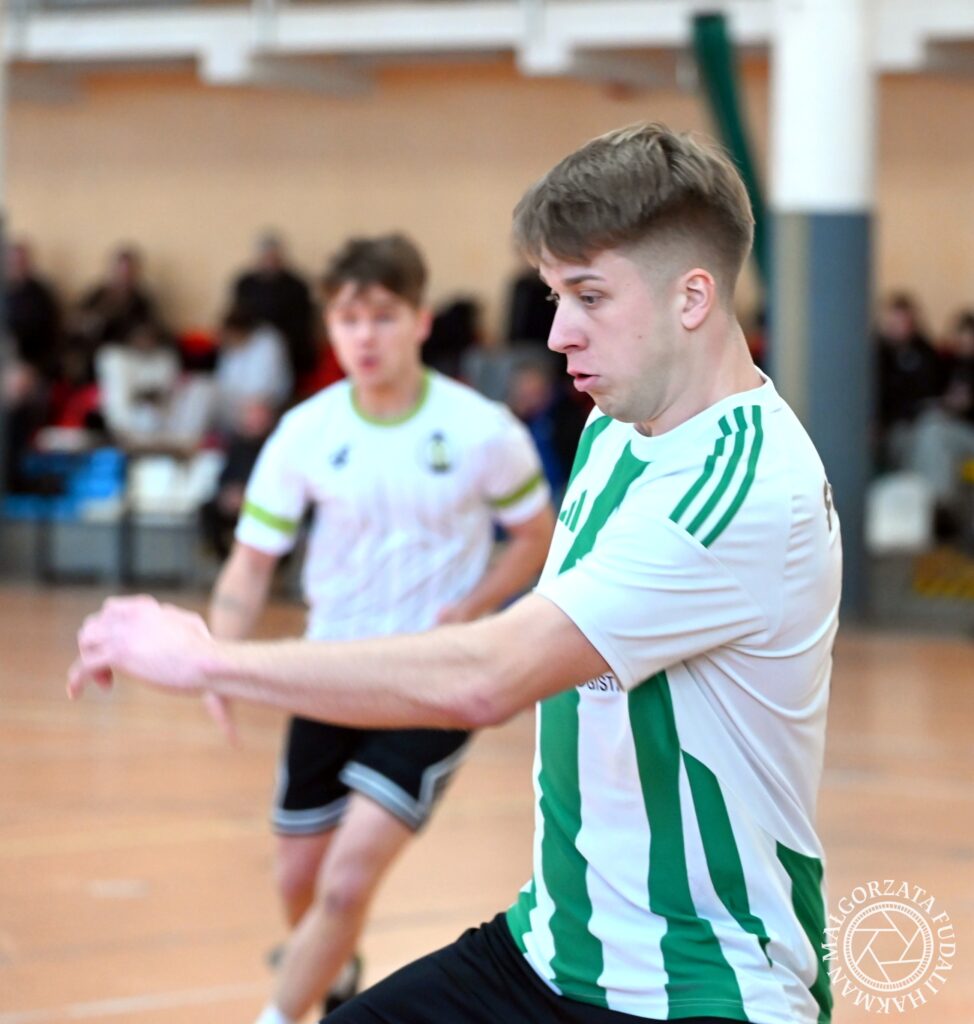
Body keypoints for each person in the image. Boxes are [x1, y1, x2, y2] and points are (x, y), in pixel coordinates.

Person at [70, 123, 841, 1024]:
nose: (557, 334)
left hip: (698, 989)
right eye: (553, 295)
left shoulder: (738, 487)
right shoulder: (617, 426)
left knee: (347, 872)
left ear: (693, 296)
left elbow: (490, 676)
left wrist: (207, 659)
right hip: (551, 950)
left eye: (589, 297)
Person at [204, 232, 554, 1024]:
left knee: (346, 882)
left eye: (384, 316)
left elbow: (535, 534)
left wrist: (474, 606)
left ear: (421, 321)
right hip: (330, 677)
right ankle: (334, 966)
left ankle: (280, 1013)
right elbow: (250, 564)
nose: (365, 336)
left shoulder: (482, 429)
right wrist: (217, 661)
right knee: (299, 882)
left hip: (432, 684)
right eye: (348, 318)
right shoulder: (306, 431)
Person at [231, 232, 317, 389]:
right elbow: (236, 316)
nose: (269, 262)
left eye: (273, 257)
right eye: (266, 257)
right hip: (248, 341)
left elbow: (302, 324)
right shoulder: (245, 284)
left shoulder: (296, 286)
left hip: (287, 347)